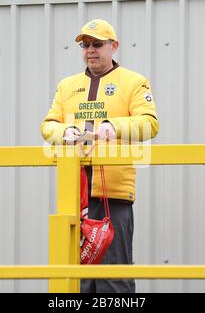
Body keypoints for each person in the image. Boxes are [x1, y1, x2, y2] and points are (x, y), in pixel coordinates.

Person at [40, 19, 159, 293]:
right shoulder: (67, 85)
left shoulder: (134, 82)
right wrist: (65, 132)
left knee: (112, 278)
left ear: (114, 46)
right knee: (78, 279)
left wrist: (113, 127)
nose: (90, 50)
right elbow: (48, 125)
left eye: (97, 44)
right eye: (85, 45)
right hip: (74, 196)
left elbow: (150, 123)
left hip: (113, 197)